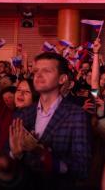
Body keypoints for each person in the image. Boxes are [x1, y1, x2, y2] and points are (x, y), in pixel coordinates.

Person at [10, 52, 92, 189]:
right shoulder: (22, 114)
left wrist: (45, 156)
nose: (38, 75)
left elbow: (82, 168)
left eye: (46, 70)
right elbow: (7, 161)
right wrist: (15, 154)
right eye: (35, 70)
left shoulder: (76, 115)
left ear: (62, 79)